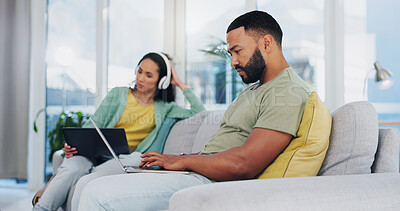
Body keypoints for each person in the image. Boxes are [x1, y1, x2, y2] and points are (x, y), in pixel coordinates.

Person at [76, 10, 312, 210]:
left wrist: (185, 162)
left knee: (95, 193)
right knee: (87, 185)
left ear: (267, 43)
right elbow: (224, 150)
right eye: (230, 54)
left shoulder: (287, 92)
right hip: (198, 175)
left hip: (212, 183)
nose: (232, 62)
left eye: (237, 51)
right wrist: (177, 159)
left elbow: (244, 164)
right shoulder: (255, 89)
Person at [32, 52, 205, 211]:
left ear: (162, 81)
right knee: (74, 165)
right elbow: (94, 124)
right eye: (139, 71)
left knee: (138, 157)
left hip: (122, 159)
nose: (141, 78)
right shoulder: (118, 94)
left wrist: (179, 83)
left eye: (149, 75)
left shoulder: (166, 108)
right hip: (92, 153)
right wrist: (74, 145)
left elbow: (199, 111)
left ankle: (62, 177)